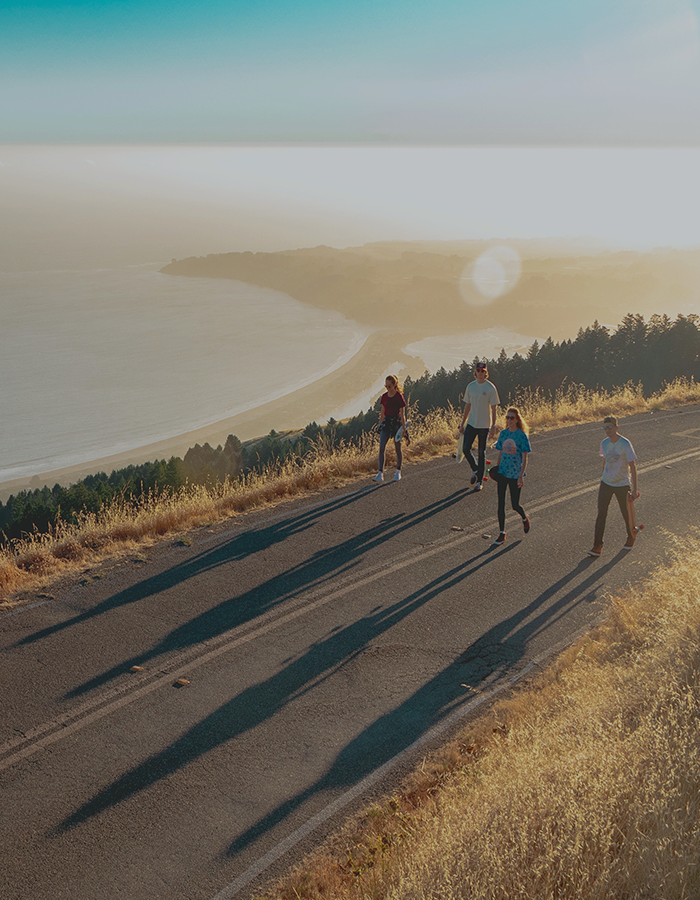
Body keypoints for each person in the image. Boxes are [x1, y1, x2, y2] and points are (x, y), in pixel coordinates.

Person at [587, 415, 639, 557]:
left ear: (616, 427)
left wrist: (634, 489)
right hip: (606, 483)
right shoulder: (604, 443)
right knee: (601, 513)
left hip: (622, 484)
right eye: (605, 427)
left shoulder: (625, 443)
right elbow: (605, 461)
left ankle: (631, 535)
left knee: (626, 513)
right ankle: (597, 546)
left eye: (610, 427)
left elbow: (632, 466)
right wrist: (603, 475)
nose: (607, 430)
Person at [490, 407, 531, 546]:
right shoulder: (503, 434)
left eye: (512, 418)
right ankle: (502, 533)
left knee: (515, 505)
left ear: (517, 419)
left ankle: (524, 518)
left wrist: (521, 476)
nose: (509, 420)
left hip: (515, 474)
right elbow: (501, 452)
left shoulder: (521, 436)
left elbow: (525, 458)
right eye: (507, 417)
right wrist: (497, 468)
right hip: (503, 472)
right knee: (500, 503)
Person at [458, 361, 499, 491]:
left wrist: (493, 426)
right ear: (475, 372)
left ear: (486, 373)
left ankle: (479, 481)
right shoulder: (471, 387)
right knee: (466, 449)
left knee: (482, 452)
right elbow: (467, 406)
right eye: (478, 371)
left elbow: (494, 408)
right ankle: (476, 469)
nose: (480, 373)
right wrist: (462, 423)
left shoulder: (490, 388)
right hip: (471, 423)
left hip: (484, 425)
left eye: (482, 371)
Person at [373, 374, 407, 483]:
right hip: (386, 423)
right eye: (385, 386)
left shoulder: (399, 397)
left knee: (397, 448)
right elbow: (383, 412)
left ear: (394, 385)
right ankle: (380, 473)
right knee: (382, 447)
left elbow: (402, 414)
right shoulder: (384, 397)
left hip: (396, 423)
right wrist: (380, 424)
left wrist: (404, 428)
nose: (387, 388)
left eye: (389, 386)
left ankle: (398, 471)